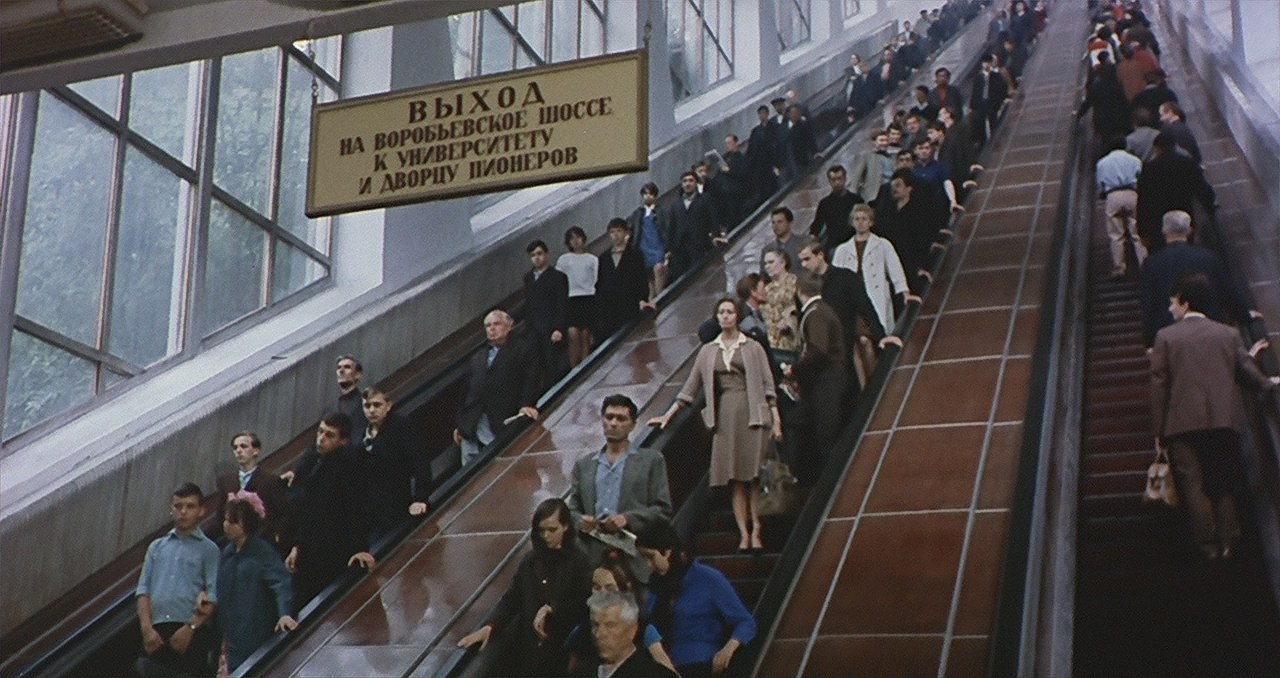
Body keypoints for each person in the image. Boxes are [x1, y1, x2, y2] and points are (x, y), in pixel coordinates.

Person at [1150, 274, 1279, 560]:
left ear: (1185, 303)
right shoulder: (1227, 334)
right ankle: (1228, 540)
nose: (1170, 309)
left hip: (1181, 425)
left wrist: (1158, 430)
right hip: (1222, 420)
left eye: (1173, 303)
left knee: (1193, 485)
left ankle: (1207, 545)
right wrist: (1269, 384)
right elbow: (1246, 373)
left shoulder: (1166, 337)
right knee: (1223, 482)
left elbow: (1159, 386)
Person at [649, 298, 782, 553]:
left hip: (753, 414)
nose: (725, 316)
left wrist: (776, 420)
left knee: (753, 477)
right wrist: (669, 415)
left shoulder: (752, 347)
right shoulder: (709, 350)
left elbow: (768, 386)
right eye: (721, 312)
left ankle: (757, 530)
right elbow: (690, 387)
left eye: (730, 312)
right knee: (734, 479)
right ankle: (743, 533)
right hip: (725, 416)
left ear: (737, 316)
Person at [457, 498, 592, 676]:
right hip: (531, 654)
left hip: (564, 652)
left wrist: (553, 610)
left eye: (552, 530)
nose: (546, 536)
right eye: (542, 531)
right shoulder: (531, 562)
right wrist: (490, 626)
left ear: (565, 526)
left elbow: (583, 603)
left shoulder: (579, 562)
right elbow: (512, 599)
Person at [566, 394, 673, 576]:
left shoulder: (651, 460)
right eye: (609, 417)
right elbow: (571, 510)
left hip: (636, 554)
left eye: (621, 418)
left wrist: (628, 518)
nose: (613, 423)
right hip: (593, 558)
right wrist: (581, 521)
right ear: (602, 421)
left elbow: (663, 510)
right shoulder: (584, 465)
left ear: (632, 425)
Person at [636, 521, 756, 676]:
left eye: (651, 557)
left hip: (700, 664)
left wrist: (730, 647)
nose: (648, 565)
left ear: (667, 551)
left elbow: (745, 621)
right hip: (662, 666)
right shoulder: (656, 586)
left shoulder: (708, 578)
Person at [284, 413, 375, 610]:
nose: (321, 438)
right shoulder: (314, 461)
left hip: (334, 556)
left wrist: (360, 547)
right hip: (310, 552)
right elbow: (308, 511)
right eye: (320, 432)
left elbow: (357, 509)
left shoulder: (350, 466)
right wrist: (298, 545)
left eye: (329, 435)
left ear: (343, 441)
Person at [135, 483, 219, 677]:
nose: (183, 512)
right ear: (171, 509)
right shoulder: (157, 547)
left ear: (201, 511)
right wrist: (147, 629)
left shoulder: (209, 549)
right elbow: (143, 590)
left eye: (190, 507)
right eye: (178, 506)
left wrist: (190, 628)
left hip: (190, 632)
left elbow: (212, 596)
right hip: (156, 632)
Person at [1139, 210, 1258, 347]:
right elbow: (1227, 291)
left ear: (1164, 231)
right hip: (1210, 331)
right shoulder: (1207, 257)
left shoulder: (1152, 264)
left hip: (1171, 337)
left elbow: (1149, 304)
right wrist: (1245, 316)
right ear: (1189, 231)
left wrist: (1149, 342)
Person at [216, 491, 297, 672]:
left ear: (245, 526)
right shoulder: (226, 553)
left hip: (253, 630)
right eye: (225, 520)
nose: (226, 525)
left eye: (232, 521)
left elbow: (281, 583)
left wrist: (284, 612)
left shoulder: (262, 552)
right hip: (228, 634)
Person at [565, 554, 677, 675]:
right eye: (597, 587)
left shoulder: (644, 630)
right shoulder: (582, 630)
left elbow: (666, 667)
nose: (603, 594)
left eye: (610, 588)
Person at [454, 310, 541, 465]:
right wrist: (460, 424)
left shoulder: (522, 349)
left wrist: (526, 404)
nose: (492, 329)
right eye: (488, 326)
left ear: (509, 326)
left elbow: (531, 379)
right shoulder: (478, 356)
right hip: (472, 425)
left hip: (501, 421)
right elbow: (466, 391)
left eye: (496, 324)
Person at [786, 272, 850, 477]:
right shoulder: (821, 310)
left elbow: (818, 350)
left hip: (827, 381)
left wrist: (794, 369)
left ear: (799, 291)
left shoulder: (816, 313)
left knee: (827, 434)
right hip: (825, 381)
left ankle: (833, 480)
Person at [833, 205, 916, 342]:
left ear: (871, 222)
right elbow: (835, 278)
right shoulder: (842, 250)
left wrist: (904, 293)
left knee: (872, 334)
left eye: (864, 219)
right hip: (854, 302)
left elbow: (895, 270)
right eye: (857, 219)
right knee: (859, 338)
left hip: (875, 297)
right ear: (852, 222)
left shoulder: (883, 245)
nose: (860, 222)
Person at [358, 387, 431, 542]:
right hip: (369, 510)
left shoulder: (401, 425)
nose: (371, 410)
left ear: (388, 405)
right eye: (367, 406)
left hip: (396, 504)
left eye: (377, 405)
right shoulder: (362, 433)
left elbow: (420, 461)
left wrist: (420, 498)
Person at [1136, 132, 1215, 255]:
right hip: (1184, 213)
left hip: (1158, 220)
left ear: (1157, 148)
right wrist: (1209, 205)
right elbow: (1202, 189)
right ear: (1174, 146)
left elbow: (1143, 200)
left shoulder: (1149, 169)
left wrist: (1142, 231)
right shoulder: (1187, 162)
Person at [214, 431, 290, 554]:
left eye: (243, 446)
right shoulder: (225, 480)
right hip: (232, 544)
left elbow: (282, 513)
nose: (238, 450)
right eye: (235, 447)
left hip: (261, 543)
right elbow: (220, 513)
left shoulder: (270, 480)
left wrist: (275, 535)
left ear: (256, 450)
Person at [579, 591, 679, 678]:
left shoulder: (656, 675)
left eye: (610, 625)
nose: (599, 634)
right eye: (595, 625)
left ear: (632, 629)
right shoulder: (581, 673)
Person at [520, 239, 570, 385]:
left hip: (551, 328)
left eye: (539, 253)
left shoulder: (558, 277)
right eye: (533, 255)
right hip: (533, 330)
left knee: (552, 364)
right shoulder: (528, 278)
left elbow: (562, 304)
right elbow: (528, 304)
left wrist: (559, 328)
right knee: (536, 365)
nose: (537, 257)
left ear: (547, 255)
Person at [1095, 135, 1145, 277]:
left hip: (1113, 195)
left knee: (1116, 234)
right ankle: (1143, 263)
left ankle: (1119, 267)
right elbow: (1141, 177)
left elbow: (1100, 184)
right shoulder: (1134, 160)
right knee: (1136, 231)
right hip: (1132, 193)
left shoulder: (1102, 163)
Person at [594, 218, 651, 339]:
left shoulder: (635, 254)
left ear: (626, 233)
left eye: (619, 231)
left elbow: (641, 279)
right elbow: (600, 283)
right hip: (609, 309)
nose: (615, 235)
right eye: (612, 232)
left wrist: (642, 298)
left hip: (629, 306)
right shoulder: (604, 258)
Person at [558, 226, 599, 367]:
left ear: (583, 238)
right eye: (572, 239)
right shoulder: (564, 260)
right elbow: (559, 280)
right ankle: (573, 368)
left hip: (588, 297)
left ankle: (585, 365)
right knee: (573, 334)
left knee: (585, 334)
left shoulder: (592, 259)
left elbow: (596, 279)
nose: (575, 241)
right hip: (571, 298)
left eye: (578, 237)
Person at [667, 171, 717, 278]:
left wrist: (715, 235)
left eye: (691, 180)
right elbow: (671, 227)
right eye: (685, 181)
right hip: (680, 251)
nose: (687, 184)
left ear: (696, 183)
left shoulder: (705, 199)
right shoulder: (676, 205)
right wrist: (669, 249)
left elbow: (713, 219)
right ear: (681, 184)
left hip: (699, 246)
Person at [808, 165, 863, 254]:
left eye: (839, 178)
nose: (837, 182)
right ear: (829, 181)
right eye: (833, 180)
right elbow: (817, 226)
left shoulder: (856, 200)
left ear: (845, 179)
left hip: (855, 242)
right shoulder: (825, 203)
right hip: (835, 245)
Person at [760, 248, 799, 354]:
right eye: (765, 263)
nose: (767, 266)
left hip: (795, 340)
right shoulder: (765, 290)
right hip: (773, 343)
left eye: (771, 262)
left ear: (783, 263)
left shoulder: (796, 283)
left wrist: (789, 320)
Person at [850, 130, 896, 205]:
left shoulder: (892, 158)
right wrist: (852, 197)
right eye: (881, 140)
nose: (884, 143)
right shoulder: (867, 156)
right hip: (874, 195)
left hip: (891, 193)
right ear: (874, 142)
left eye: (886, 140)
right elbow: (856, 177)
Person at [761, 206, 806, 272]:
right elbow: (764, 276)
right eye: (773, 222)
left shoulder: (804, 243)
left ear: (790, 223)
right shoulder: (767, 250)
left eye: (780, 222)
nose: (775, 226)